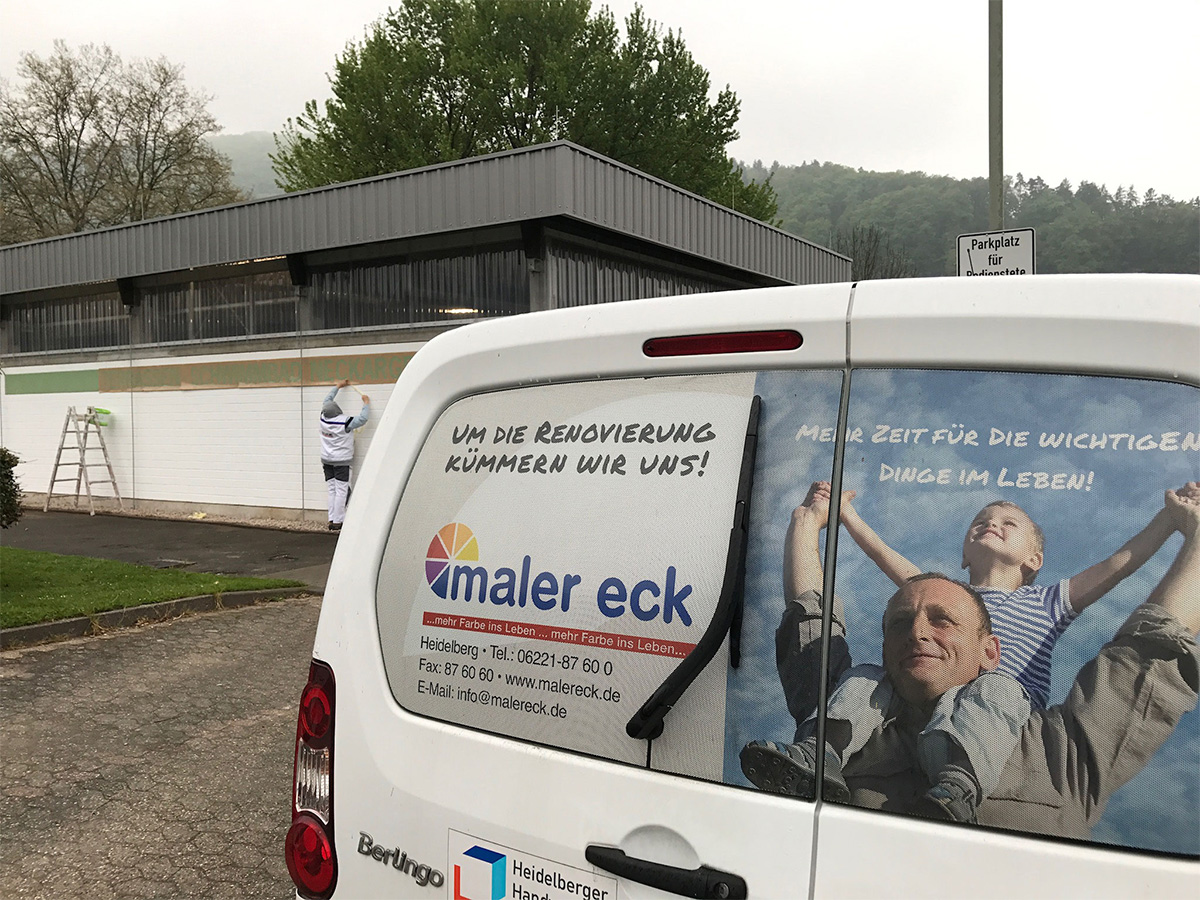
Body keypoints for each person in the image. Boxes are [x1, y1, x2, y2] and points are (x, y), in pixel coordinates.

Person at [741, 480, 1200, 841]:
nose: (991, 523)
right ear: (962, 556)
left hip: (999, 716)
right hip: (904, 712)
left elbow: (1119, 564)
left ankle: (959, 785)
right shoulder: (936, 591)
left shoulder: (1047, 602)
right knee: (864, 678)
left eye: (1009, 522)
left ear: (1034, 558)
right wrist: (841, 516)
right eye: (981, 520)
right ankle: (818, 752)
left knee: (995, 688)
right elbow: (880, 563)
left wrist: (1170, 519)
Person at [320, 379, 370, 532]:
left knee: (332, 489)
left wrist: (337, 387)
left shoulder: (323, 418)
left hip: (326, 460)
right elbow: (363, 419)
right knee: (342, 490)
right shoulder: (344, 422)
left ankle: (331, 518)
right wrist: (366, 403)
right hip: (341, 461)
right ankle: (338, 521)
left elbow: (326, 401)